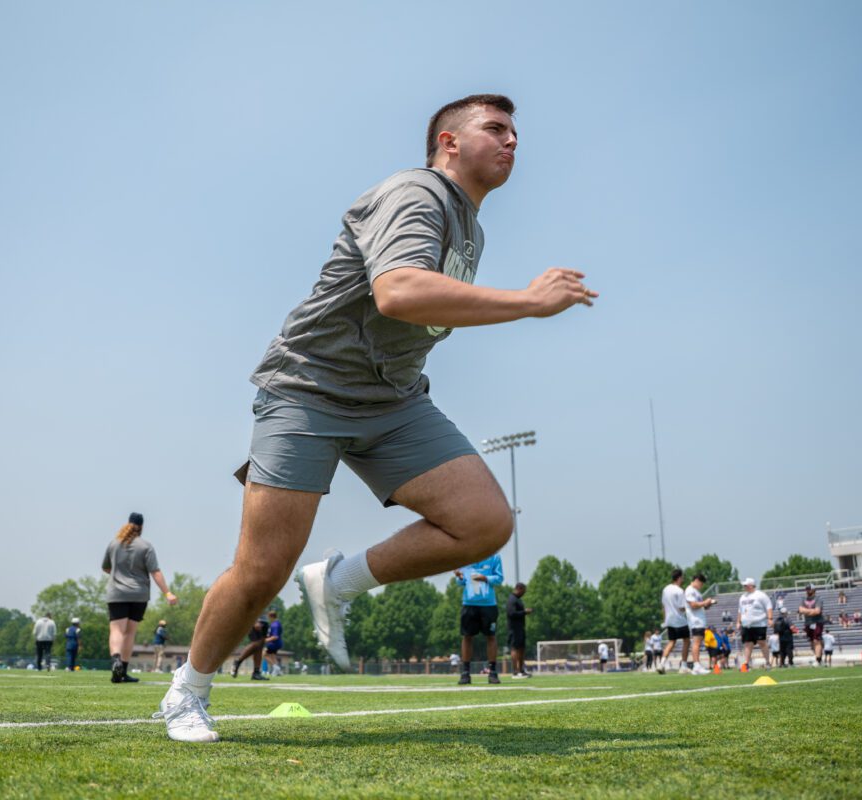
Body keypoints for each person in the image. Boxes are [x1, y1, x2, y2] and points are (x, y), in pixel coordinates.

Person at [153, 94, 597, 743]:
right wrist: (528, 301)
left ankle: (337, 582)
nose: (513, 141)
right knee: (260, 570)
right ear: (448, 141)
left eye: (516, 132)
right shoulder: (415, 192)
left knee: (484, 522)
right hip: (309, 389)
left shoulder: (470, 227)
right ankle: (186, 692)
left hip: (394, 400)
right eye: (496, 129)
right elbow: (399, 292)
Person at [102, 512, 179, 683]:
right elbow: (155, 572)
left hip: (117, 593)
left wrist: (118, 574)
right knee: (129, 633)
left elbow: (106, 568)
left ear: (127, 524)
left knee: (116, 630)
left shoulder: (114, 544)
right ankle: (123, 670)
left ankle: (116, 661)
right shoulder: (145, 546)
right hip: (138, 594)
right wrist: (168, 592)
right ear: (142, 527)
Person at [455, 553, 504, 685]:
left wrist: (485, 578)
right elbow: (461, 582)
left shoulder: (494, 557)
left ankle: (492, 672)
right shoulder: (465, 556)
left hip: (488, 604)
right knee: (467, 636)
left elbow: (499, 578)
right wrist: (459, 577)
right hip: (469, 604)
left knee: (491, 636)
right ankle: (465, 673)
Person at [657, 569, 690, 674]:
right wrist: (689, 607)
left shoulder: (665, 589)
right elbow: (681, 608)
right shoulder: (680, 591)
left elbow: (663, 606)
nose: (683, 579)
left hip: (669, 620)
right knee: (687, 640)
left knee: (671, 642)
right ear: (679, 578)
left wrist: (665, 619)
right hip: (679, 620)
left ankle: (661, 664)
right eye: (682, 577)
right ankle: (683, 666)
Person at [736, 578, 773, 670]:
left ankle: (768, 663)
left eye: (746, 585)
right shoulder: (743, 597)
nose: (744, 587)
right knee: (748, 644)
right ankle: (746, 664)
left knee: (762, 642)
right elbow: (740, 611)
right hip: (746, 624)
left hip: (759, 623)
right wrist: (738, 621)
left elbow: (769, 607)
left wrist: (770, 618)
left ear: (751, 585)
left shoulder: (761, 595)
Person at [684, 573, 716, 675]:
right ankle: (696, 665)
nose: (701, 586)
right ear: (697, 580)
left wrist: (708, 604)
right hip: (695, 620)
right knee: (696, 642)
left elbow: (700, 606)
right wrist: (704, 602)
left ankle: (696, 666)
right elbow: (693, 605)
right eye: (701, 584)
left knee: (698, 642)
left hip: (699, 619)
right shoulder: (689, 590)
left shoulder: (696, 592)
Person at [505, 582, 532, 678]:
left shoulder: (518, 600)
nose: (524, 593)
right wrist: (524, 612)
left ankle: (521, 670)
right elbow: (511, 613)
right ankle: (515, 671)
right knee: (515, 648)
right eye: (523, 591)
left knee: (521, 648)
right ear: (519, 589)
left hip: (520, 628)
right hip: (514, 628)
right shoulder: (511, 599)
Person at [799, 584, 825, 666]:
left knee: (816, 640)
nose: (808, 591)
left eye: (809, 589)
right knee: (811, 641)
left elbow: (817, 611)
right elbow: (800, 610)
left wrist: (806, 611)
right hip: (808, 623)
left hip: (817, 622)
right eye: (807, 589)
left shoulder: (818, 598)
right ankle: (819, 657)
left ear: (814, 590)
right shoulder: (803, 599)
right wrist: (811, 611)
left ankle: (817, 660)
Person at [263, 609, 283, 677]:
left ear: (271, 617)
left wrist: (265, 640)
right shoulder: (276, 623)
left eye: (268, 617)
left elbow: (275, 636)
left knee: (264, 654)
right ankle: (278, 671)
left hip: (274, 643)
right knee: (273, 656)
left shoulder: (275, 625)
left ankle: (275, 667)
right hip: (275, 643)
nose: (268, 618)